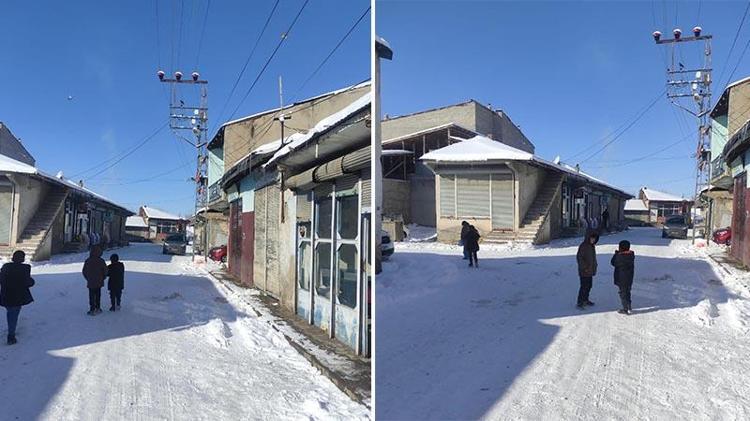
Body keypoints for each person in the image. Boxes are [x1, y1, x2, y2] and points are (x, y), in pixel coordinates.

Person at [0, 251, 35, 345]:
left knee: (11, 313)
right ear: (22, 258)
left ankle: (11, 332)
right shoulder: (25, 268)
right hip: (17, 297)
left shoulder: (6, 266)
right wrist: (32, 281)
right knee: (13, 315)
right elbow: (29, 282)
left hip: (6, 295)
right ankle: (11, 336)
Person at [576, 230, 599, 309]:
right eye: (592, 238)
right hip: (584, 271)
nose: (593, 240)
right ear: (588, 238)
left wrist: (594, 266)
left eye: (594, 239)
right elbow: (579, 258)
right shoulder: (584, 246)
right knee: (584, 286)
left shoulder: (591, 246)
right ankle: (580, 302)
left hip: (590, 270)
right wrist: (584, 267)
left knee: (589, 286)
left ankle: (585, 299)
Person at [611, 240, 635, 315]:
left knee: (623, 294)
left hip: (621, 278)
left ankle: (625, 309)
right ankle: (629, 306)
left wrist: (616, 254)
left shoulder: (620, 256)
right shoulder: (631, 255)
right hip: (629, 278)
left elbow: (613, 262)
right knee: (627, 292)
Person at [82, 246, 107, 315]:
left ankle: (92, 309)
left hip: (91, 281)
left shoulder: (88, 261)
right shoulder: (101, 261)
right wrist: (103, 277)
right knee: (98, 295)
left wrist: (88, 278)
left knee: (91, 295)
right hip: (99, 281)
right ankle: (98, 307)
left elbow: (84, 271)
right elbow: (105, 270)